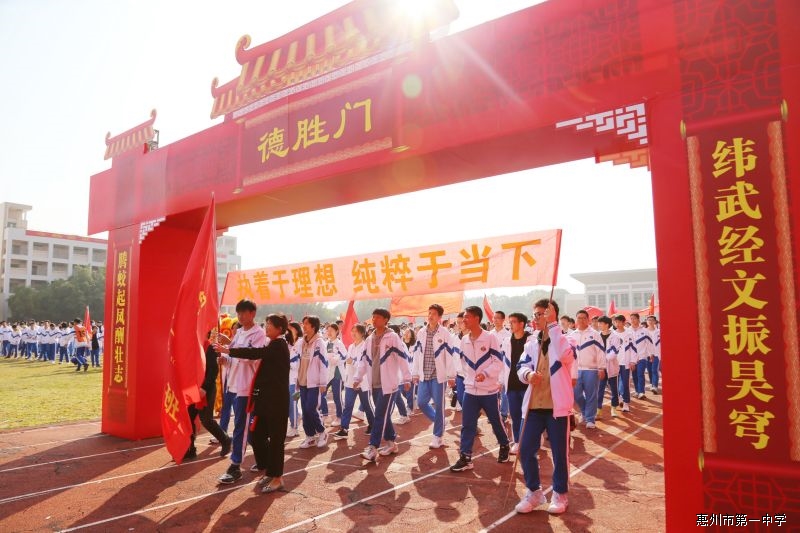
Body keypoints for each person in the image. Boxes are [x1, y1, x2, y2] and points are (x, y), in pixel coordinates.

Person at [219, 313, 291, 494]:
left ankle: (277, 478)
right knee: (257, 435)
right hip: (265, 401)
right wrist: (230, 347)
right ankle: (268, 470)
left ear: (280, 329)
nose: (266, 327)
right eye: (266, 323)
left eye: (270, 324)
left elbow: (255, 353)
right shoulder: (271, 344)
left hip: (276, 402)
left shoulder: (279, 345)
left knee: (276, 441)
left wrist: (229, 350)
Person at [515, 299, 574, 515]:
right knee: (525, 449)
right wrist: (528, 374)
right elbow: (521, 366)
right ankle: (534, 492)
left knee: (559, 453)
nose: (536, 318)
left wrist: (554, 326)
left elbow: (566, 356)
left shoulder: (566, 340)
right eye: (535, 314)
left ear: (552, 314)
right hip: (533, 406)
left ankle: (560, 493)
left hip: (557, 408)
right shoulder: (531, 343)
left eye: (541, 314)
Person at [450, 306, 510, 472]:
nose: (464, 320)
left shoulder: (490, 338)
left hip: (489, 391)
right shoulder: (464, 340)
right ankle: (465, 457)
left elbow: (498, 362)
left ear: (477, 318)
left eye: (467, 317)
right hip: (470, 390)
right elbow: (463, 362)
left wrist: (485, 374)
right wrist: (468, 378)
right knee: (467, 424)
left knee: (496, 421)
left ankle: (504, 444)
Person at [353, 308, 412, 462]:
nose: (374, 320)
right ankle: (392, 443)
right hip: (374, 384)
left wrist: (407, 378)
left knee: (379, 415)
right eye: (373, 317)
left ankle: (373, 448)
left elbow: (402, 358)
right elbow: (363, 361)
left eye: (378, 317)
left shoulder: (392, 337)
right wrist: (358, 377)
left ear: (386, 320)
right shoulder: (369, 339)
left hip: (389, 385)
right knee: (383, 414)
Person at [215, 300, 263, 484]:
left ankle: (235, 466)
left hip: (246, 386)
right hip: (233, 384)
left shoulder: (259, 334)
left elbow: (252, 357)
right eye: (238, 313)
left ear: (252, 313)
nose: (240, 316)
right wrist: (224, 360)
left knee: (240, 427)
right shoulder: (239, 332)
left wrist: (229, 351)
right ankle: (263, 457)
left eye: (244, 312)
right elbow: (233, 357)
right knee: (249, 428)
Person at [411, 304, 455, 449]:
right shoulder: (421, 332)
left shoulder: (445, 333)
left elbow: (450, 355)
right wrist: (415, 372)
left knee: (439, 405)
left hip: (438, 376)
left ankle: (437, 436)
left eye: (434, 313)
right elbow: (417, 354)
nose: (430, 316)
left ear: (440, 317)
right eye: (429, 313)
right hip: (424, 374)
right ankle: (441, 421)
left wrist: (451, 375)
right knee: (422, 403)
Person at [185, 332, 232, 461]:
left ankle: (225, 440)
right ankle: (190, 449)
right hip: (194, 388)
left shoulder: (210, 348)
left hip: (207, 389)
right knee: (189, 417)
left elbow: (213, 370)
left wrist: (204, 388)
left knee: (206, 419)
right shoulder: (194, 347)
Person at [333, 324, 375, 440]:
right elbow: (348, 362)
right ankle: (344, 429)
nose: (353, 333)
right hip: (350, 382)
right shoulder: (351, 346)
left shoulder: (366, 346)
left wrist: (353, 362)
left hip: (362, 381)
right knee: (348, 406)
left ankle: (373, 425)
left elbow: (365, 364)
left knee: (367, 405)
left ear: (362, 333)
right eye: (352, 331)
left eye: (355, 331)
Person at [295, 315, 329, 449]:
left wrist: (323, 382)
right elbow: (296, 359)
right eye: (303, 323)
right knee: (305, 410)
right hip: (302, 381)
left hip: (314, 383)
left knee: (311, 408)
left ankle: (322, 432)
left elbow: (324, 363)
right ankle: (310, 436)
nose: (303, 326)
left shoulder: (320, 343)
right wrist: (297, 379)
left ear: (313, 326)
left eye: (306, 324)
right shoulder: (301, 342)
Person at [568, 310, 606, 429]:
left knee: (591, 395)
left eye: (584, 318)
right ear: (576, 320)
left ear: (588, 319)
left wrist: (601, 368)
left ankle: (590, 419)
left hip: (591, 369)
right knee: (576, 395)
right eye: (579, 318)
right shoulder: (571, 335)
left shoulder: (595, 334)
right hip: (576, 370)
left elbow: (601, 352)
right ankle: (584, 412)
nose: (581, 320)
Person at [500, 312, 530, 454]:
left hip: (527, 385)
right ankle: (517, 441)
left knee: (528, 415)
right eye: (509, 322)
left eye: (513, 322)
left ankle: (530, 440)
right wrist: (501, 381)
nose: (510, 325)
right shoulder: (506, 341)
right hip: (511, 384)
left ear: (521, 324)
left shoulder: (531, 341)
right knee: (515, 415)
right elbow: (503, 363)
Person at [320, 323, 346, 427]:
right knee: (321, 394)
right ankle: (324, 414)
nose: (329, 332)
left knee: (337, 396)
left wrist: (336, 359)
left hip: (337, 373)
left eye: (332, 330)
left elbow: (345, 356)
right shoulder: (325, 343)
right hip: (327, 373)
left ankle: (340, 417)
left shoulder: (339, 343)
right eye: (328, 330)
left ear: (337, 332)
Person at [596, 316, 620, 417]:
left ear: (606, 324)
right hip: (600, 368)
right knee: (600, 389)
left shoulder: (615, 337)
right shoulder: (596, 336)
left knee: (614, 389)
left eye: (601, 323)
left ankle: (613, 408)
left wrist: (603, 359)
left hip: (611, 367)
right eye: (598, 323)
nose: (599, 325)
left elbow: (614, 352)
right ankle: (598, 410)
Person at [629, 313, 652, 399]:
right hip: (632, 358)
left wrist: (651, 353)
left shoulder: (645, 331)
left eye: (634, 318)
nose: (632, 320)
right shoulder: (628, 331)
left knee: (640, 374)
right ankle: (637, 391)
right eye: (631, 319)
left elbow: (649, 343)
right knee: (634, 375)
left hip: (642, 356)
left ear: (638, 319)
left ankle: (641, 392)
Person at [286, 321, 302, 438]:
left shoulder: (301, 342)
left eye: (290, 328)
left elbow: (300, 361)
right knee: (289, 403)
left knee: (293, 402)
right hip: (287, 378)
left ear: (296, 329)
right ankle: (297, 416)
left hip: (296, 380)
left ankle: (294, 427)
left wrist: (289, 364)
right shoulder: (288, 343)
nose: (288, 330)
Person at [646, 315, 661, 394]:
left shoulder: (659, 331)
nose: (650, 321)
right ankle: (652, 384)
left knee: (654, 370)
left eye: (652, 320)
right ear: (647, 321)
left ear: (655, 321)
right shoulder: (644, 331)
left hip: (656, 354)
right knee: (649, 370)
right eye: (649, 320)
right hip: (647, 354)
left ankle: (655, 386)